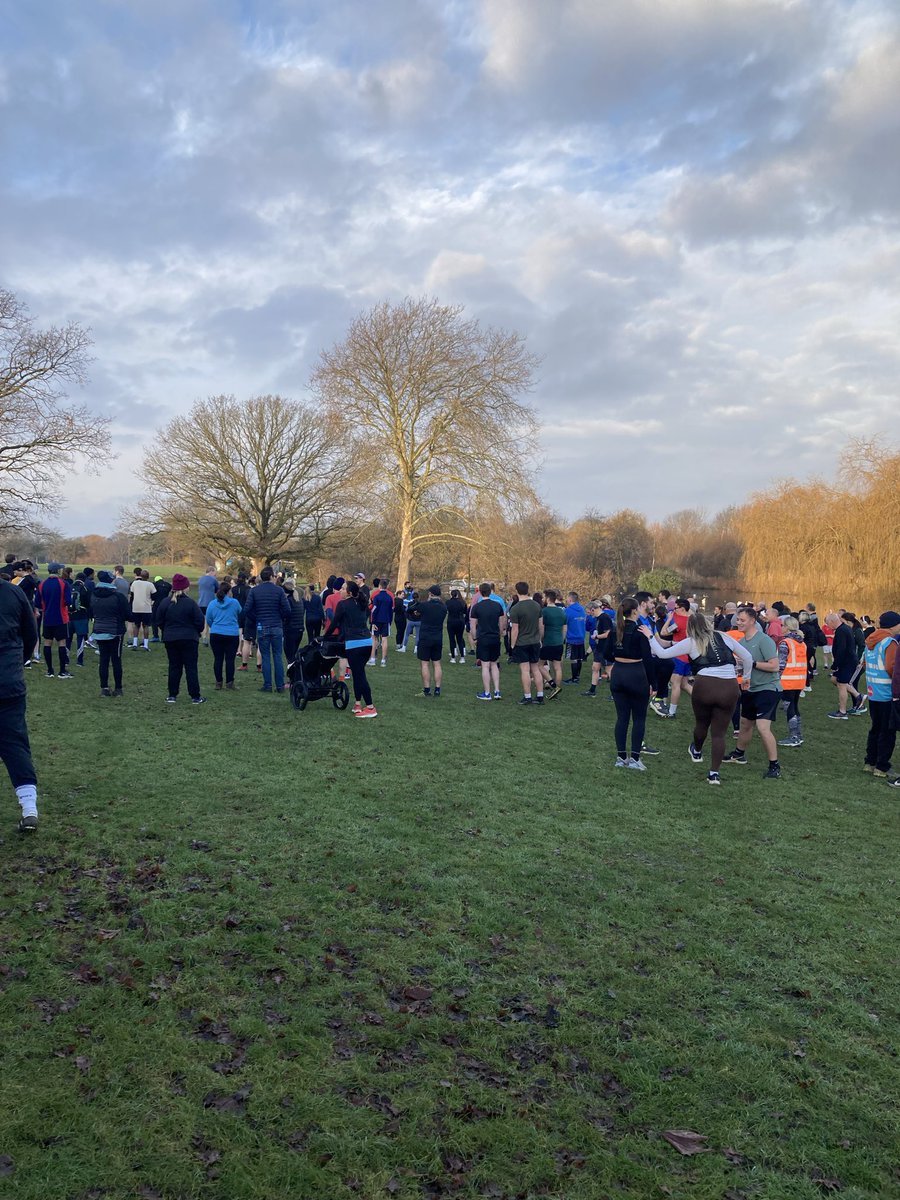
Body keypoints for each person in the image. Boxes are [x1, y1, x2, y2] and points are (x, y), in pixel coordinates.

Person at [652, 611, 753, 784]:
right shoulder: (724, 637)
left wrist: (649, 636)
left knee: (702, 723)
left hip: (705, 685)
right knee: (719, 733)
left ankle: (697, 750)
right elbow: (748, 657)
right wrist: (746, 678)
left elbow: (661, 653)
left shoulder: (691, 642)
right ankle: (714, 773)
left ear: (690, 628)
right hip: (729, 687)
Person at [722, 606, 783, 778]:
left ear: (753, 621)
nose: (738, 623)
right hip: (750, 688)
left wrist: (752, 663)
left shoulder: (764, 640)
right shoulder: (741, 643)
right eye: (738, 620)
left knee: (763, 728)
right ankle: (739, 754)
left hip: (769, 689)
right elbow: (741, 667)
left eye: (742, 620)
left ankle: (774, 766)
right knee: (745, 724)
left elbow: (774, 666)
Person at [0, 573, 40, 830]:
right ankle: (29, 807)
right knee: (15, 744)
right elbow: (30, 631)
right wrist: (20, 660)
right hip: (9, 681)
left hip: (9, 678)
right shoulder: (12, 592)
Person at [607, 598, 655, 770]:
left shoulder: (615, 630)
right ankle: (634, 758)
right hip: (636, 674)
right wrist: (654, 684)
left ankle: (621, 757)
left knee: (622, 718)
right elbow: (648, 660)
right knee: (639, 718)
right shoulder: (640, 631)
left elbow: (606, 653)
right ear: (635, 611)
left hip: (618, 674)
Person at [324, 579, 377, 717]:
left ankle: (370, 707)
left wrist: (325, 637)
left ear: (348, 592)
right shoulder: (361, 603)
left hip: (354, 644)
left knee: (360, 675)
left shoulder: (343, 605)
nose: (340, 590)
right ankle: (358, 703)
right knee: (357, 673)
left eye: (342, 588)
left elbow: (334, 623)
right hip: (367, 642)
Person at [157, 574, 206, 704]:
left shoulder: (165, 603)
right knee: (191, 667)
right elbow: (200, 621)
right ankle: (195, 696)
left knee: (174, 666)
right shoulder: (190, 603)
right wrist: (196, 631)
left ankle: (172, 694)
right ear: (185, 588)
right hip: (189, 638)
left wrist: (166, 630)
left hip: (171, 638)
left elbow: (159, 620)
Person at [862, 611, 900, 781]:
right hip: (887, 693)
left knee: (876, 728)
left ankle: (870, 762)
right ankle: (882, 766)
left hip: (873, 691)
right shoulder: (889, 642)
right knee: (888, 731)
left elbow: (864, 662)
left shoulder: (870, 640)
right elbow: (892, 667)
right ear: (893, 625)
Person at [242, 566, 291, 693]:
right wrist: (279, 616)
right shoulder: (279, 591)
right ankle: (280, 685)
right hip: (276, 625)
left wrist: (256, 617)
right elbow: (287, 609)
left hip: (262, 626)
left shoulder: (255, 591)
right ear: (270, 577)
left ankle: (268, 684)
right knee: (277, 656)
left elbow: (246, 609)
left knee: (265, 656)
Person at [508, 582, 550, 705]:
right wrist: (540, 639)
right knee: (536, 669)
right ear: (528, 590)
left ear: (517, 591)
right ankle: (540, 696)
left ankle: (527, 697)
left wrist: (512, 645)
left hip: (522, 643)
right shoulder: (537, 606)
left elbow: (515, 629)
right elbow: (541, 625)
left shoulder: (515, 608)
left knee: (525, 670)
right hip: (535, 641)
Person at [91, 570, 130, 696]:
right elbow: (128, 615)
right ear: (111, 580)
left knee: (103, 660)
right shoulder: (118, 597)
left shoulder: (93, 595)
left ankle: (104, 688)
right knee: (116, 660)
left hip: (99, 630)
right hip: (116, 631)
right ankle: (118, 689)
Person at [470, 582, 507, 700]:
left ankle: (487, 693)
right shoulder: (497, 606)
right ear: (491, 592)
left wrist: (475, 638)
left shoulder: (477, 607)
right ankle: (497, 691)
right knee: (494, 664)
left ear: (480, 592)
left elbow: (472, 625)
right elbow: (502, 623)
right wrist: (500, 634)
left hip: (483, 637)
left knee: (485, 666)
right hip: (495, 637)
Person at [776, 615, 808, 748]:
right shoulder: (801, 643)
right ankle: (798, 734)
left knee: (789, 708)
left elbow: (781, 663)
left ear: (787, 627)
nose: (781, 627)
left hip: (788, 680)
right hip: (799, 680)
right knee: (795, 706)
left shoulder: (786, 643)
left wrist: (776, 677)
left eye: (782, 625)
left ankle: (794, 736)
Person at [38, 562, 73, 679]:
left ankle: (50, 670)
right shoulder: (64, 584)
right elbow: (68, 601)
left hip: (47, 618)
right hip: (61, 618)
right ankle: (62, 671)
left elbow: (37, 602)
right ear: (58, 571)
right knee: (61, 643)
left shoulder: (42, 584)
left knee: (47, 642)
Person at [826, 612, 864, 719]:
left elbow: (841, 649)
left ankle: (842, 712)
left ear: (833, 621)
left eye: (828, 624)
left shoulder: (841, 631)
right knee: (834, 680)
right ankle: (858, 696)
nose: (828, 627)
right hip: (848, 660)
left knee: (842, 685)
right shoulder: (844, 629)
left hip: (846, 662)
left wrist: (836, 664)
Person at [206, 581, 243, 690]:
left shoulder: (212, 604)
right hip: (231, 634)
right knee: (230, 660)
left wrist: (215, 627)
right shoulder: (234, 602)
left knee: (218, 659)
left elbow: (208, 618)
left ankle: (218, 682)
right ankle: (230, 682)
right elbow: (240, 612)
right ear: (229, 592)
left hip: (216, 633)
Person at [412, 585, 448, 696]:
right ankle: (437, 689)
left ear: (431, 594)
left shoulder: (425, 606)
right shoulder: (443, 607)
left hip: (425, 637)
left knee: (425, 664)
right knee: (437, 664)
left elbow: (411, 609)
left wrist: (418, 613)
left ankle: (427, 689)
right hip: (438, 637)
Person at [540, 589, 567, 690]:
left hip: (548, 642)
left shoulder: (544, 611)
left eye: (543, 597)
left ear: (547, 599)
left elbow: (541, 628)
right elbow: (565, 628)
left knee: (540, 665)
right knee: (557, 667)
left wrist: (541, 639)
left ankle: (552, 683)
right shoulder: (561, 611)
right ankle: (557, 688)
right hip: (559, 642)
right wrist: (562, 639)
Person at [562, 591, 587, 685]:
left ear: (570, 599)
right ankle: (577, 677)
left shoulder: (568, 611)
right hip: (581, 637)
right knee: (579, 658)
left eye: (567, 598)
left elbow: (565, 624)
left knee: (573, 658)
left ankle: (574, 679)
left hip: (572, 638)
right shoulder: (582, 609)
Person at [369, 579, 395, 666]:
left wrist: (372, 622)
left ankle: (372, 659)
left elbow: (374, 610)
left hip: (377, 620)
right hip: (386, 620)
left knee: (374, 638)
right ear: (387, 587)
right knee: (384, 639)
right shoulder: (389, 598)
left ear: (379, 586)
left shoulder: (377, 597)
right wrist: (390, 621)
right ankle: (383, 660)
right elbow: (391, 611)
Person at [129, 570, 156, 651]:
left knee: (136, 625)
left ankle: (134, 643)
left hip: (136, 607)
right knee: (146, 626)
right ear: (148, 577)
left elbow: (132, 595)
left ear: (140, 575)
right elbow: (154, 595)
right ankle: (146, 645)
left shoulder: (134, 583)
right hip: (146, 608)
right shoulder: (150, 584)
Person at [69, 571, 92, 666]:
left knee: (68, 639)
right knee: (80, 639)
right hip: (81, 616)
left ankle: (66, 660)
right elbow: (88, 603)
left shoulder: (69, 587)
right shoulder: (85, 589)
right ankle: (79, 661)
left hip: (69, 616)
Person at [282, 581, 305, 666]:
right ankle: (295, 671)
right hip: (299, 629)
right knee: (294, 653)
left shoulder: (288, 601)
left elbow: (286, 615)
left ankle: (292, 674)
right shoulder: (299, 600)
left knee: (289, 655)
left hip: (291, 630)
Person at [445, 588, 468, 664]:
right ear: (457, 595)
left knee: (452, 639)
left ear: (451, 595)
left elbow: (446, 611)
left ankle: (453, 658)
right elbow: (465, 612)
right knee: (460, 639)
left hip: (451, 621)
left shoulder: (448, 602)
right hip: (460, 621)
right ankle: (462, 658)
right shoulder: (462, 602)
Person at [197, 567, 219, 640]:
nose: (215, 574)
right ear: (211, 571)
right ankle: (211, 636)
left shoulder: (200, 579)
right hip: (210, 602)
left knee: (203, 620)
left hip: (201, 602)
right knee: (210, 621)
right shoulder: (213, 579)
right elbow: (217, 590)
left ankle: (204, 636)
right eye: (215, 572)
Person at [151, 575, 171, 642]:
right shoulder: (168, 585)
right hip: (165, 603)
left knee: (154, 620)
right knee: (164, 620)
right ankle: (163, 637)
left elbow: (153, 595)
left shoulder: (154, 584)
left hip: (156, 604)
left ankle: (155, 636)